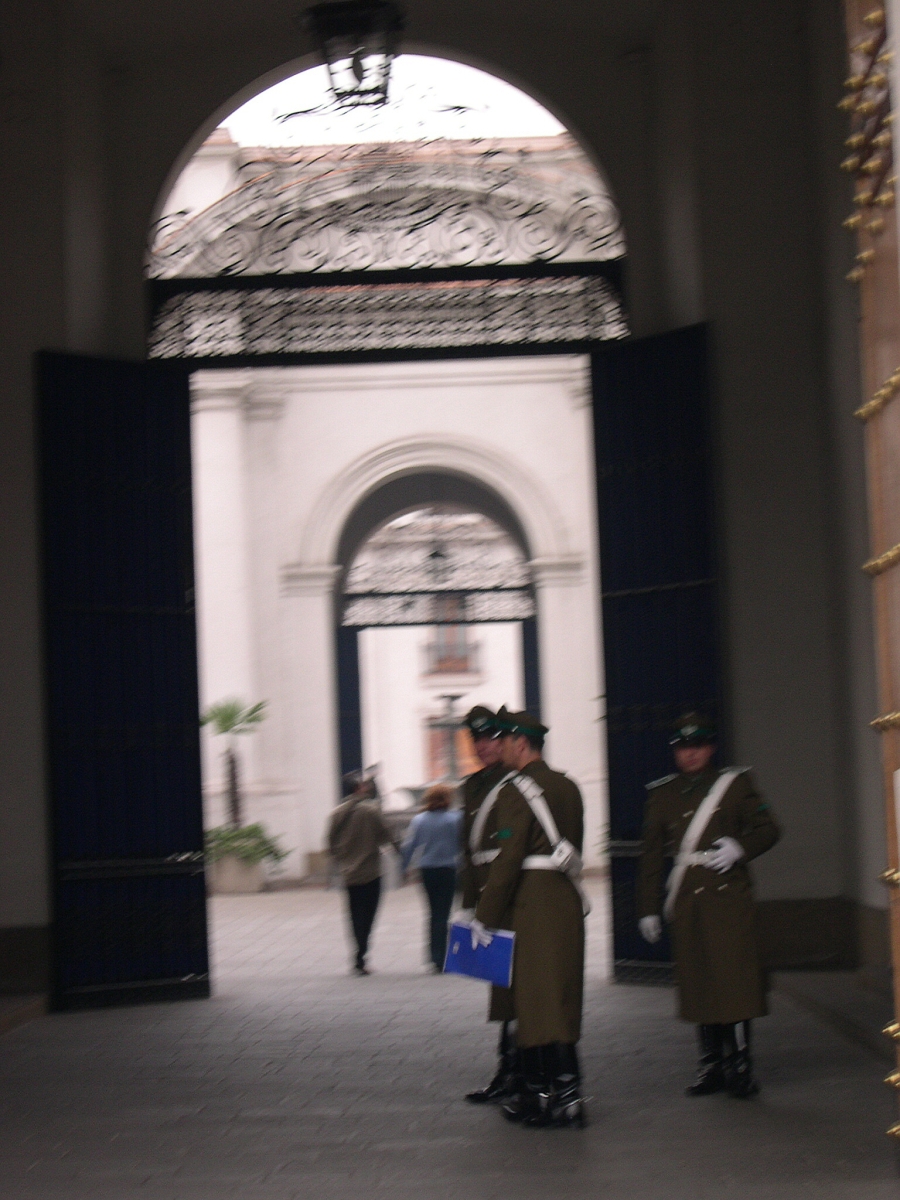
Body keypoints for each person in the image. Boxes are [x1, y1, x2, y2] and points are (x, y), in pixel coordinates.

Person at [636, 713, 781, 1098]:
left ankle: (740, 1064)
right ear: (675, 753)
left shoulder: (734, 785)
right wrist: (648, 908)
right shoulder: (662, 793)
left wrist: (740, 848)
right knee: (700, 982)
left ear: (711, 747)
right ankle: (711, 1064)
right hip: (687, 901)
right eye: (683, 748)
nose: (691, 754)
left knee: (734, 984)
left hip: (728, 899)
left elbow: (769, 829)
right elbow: (651, 856)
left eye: (697, 746)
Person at [471, 708, 588, 1128]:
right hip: (564, 903)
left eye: (503, 741)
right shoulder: (569, 787)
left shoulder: (515, 791)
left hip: (531, 907)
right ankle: (567, 1096)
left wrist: (484, 916)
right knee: (560, 1000)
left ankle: (545, 1098)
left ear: (520, 744)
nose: (497, 747)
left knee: (536, 1004)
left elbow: (507, 862)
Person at [455, 706, 517, 1105]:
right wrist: (468, 904)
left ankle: (520, 1071)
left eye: (491, 738)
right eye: (477, 739)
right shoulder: (471, 786)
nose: (483, 746)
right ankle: (507, 1070)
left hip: (514, 894)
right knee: (502, 986)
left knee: (520, 986)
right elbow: (468, 851)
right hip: (487, 894)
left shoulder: (517, 782)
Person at [327, 772, 399, 976]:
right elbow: (387, 835)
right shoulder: (371, 810)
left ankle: (357, 953)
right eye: (364, 786)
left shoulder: (337, 813)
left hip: (349, 873)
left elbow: (330, 842)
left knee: (354, 915)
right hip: (371, 871)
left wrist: (341, 859)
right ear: (359, 788)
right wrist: (401, 854)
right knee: (369, 914)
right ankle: (362, 952)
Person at [401, 784, 462, 972]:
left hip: (427, 869)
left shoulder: (419, 820)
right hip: (448, 868)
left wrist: (404, 867)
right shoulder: (455, 819)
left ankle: (434, 956)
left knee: (432, 912)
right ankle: (442, 956)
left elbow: (409, 845)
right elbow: (463, 843)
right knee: (444, 913)